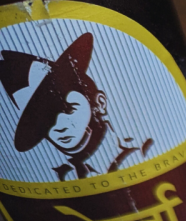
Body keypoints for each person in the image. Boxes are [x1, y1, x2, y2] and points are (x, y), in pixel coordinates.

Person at [0, 32, 152, 181]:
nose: (59, 125)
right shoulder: (63, 174)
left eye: (68, 109)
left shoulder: (142, 152)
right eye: (44, 119)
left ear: (99, 102)